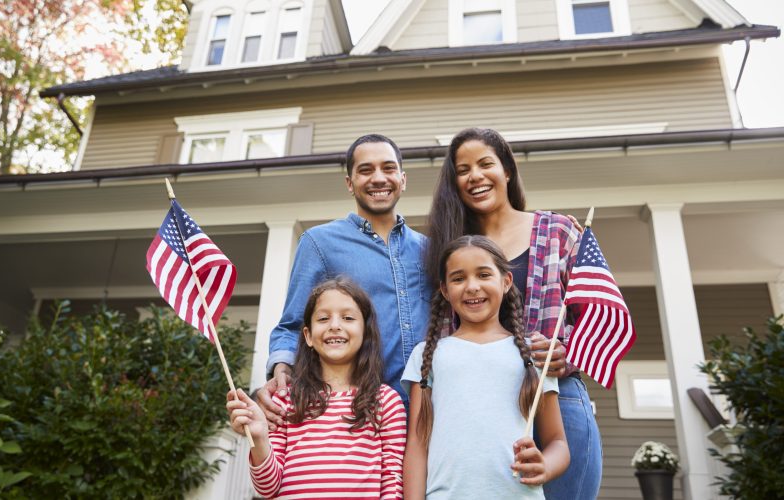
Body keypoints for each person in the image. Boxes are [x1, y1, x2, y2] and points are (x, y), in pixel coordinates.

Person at [424, 128, 602, 499]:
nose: (475, 175)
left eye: (486, 163)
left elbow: (595, 317)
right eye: (463, 169)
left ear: (507, 170)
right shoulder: (452, 250)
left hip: (558, 401)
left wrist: (564, 350)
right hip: (481, 410)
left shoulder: (559, 232)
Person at [257, 134, 431, 427]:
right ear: (350, 183)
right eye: (365, 170)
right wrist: (281, 369)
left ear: (403, 179)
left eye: (388, 169)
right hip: (359, 415)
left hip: (428, 412)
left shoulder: (430, 249)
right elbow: (292, 325)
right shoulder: (319, 243)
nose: (378, 178)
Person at [402, 235, 569, 499]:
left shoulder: (533, 353)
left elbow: (558, 442)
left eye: (483, 275)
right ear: (445, 290)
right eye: (458, 278)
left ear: (506, 281)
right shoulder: (427, 355)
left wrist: (545, 465)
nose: (472, 287)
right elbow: (417, 444)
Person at [226, 278, 407, 499]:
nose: (335, 325)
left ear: (366, 333)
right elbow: (266, 488)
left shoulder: (387, 401)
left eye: (348, 318)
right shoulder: (285, 400)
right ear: (308, 336)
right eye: (323, 318)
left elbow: (393, 483)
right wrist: (260, 438)